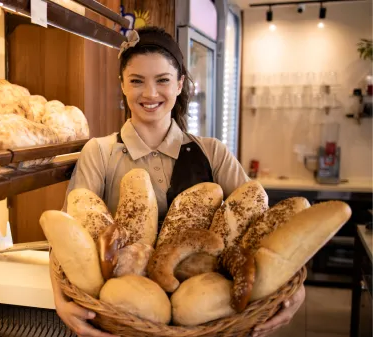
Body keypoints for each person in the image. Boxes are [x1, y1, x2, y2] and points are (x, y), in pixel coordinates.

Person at [48, 26, 305, 337]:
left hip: (206, 319)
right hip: (126, 318)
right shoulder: (100, 152)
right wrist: (60, 301)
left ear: (180, 83)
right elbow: (67, 240)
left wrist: (296, 287)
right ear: (122, 86)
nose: (150, 94)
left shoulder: (211, 153)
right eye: (137, 81)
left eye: (163, 80)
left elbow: (263, 232)